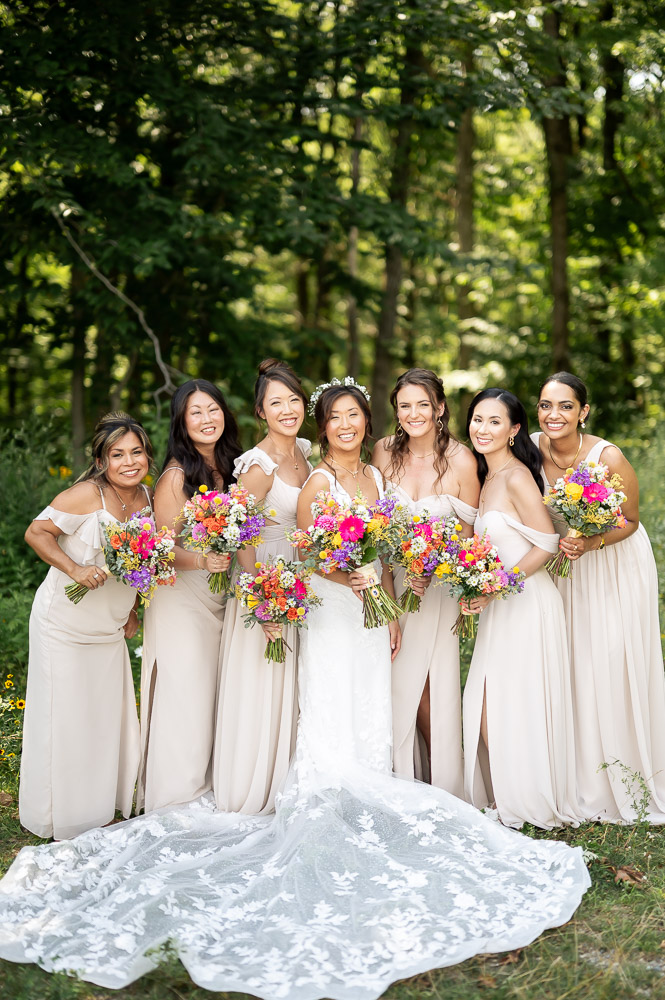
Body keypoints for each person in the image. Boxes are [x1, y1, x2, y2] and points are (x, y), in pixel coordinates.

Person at [0, 380, 590, 997]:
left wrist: (385, 599)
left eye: (354, 417)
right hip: (331, 610)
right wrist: (351, 578)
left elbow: (383, 544)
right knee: (329, 703)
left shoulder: (374, 479)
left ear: (366, 423)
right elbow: (307, 554)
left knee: (371, 703)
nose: (345, 426)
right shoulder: (314, 483)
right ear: (321, 422)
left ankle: (371, 780)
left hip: (369, 612)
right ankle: (327, 786)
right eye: (334, 418)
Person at [535, 371, 665, 822]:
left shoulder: (607, 456)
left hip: (613, 563)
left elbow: (629, 519)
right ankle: (579, 775)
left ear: (583, 412)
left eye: (565, 406)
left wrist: (590, 542)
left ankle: (625, 773)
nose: (554, 415)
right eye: (546, 405)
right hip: (566, 570)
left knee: (610, 660)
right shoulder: (530, 448)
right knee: (574, 662)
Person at [20, 411, 151, 840]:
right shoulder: (84, 495)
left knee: (100, 718)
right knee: (67, 718)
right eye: (118, 454)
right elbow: (36, 533)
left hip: (107, 630)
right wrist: (75, 569)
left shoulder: (147, 499)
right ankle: (65, 815)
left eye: (136, 452)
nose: (129, 461)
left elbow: (134, 565)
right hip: (65, 625)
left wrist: (132, 609)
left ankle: (99, 805)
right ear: (102, 460)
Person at [462, 388, 582, 829]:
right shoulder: (487, 476)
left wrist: (495, 586)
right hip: (502, 604)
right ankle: (512, 795)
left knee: (512, 702)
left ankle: (526, 799)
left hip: (527, 603)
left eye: (495, 421)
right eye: (478, 419)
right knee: (490, 702)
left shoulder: (515, 476)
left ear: (514, 430)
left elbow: (548, 543)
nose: (483, 428)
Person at [372, 368, 479, 796]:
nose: (414, 414)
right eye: (404, 406)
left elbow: (469, 541)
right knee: (395, 680)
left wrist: (434, 567)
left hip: (435, 588)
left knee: (429, 685)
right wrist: (385, 589)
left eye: (423, 405)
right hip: (387, 583)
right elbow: (370, 528)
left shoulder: (462, 460)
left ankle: (441, 784)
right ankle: (400, 776)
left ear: (439, 408)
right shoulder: (382, 453)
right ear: (395, 411)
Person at [137, 379, 242, 813]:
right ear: (181, 421)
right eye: (195, 412)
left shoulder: (232, 465)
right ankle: (176, 794)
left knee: (215, 690)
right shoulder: (176, 476)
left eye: (213, 409)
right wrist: (202, 562)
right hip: (182, 597)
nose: (206, 419)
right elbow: (160, 549)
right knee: (187, 691)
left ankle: (211, 781)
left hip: (221, 595)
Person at [213, 359, 311, 814]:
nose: (287, 409)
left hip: (298, 573)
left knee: (291, 680)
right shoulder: (259, 465)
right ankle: (253, 784)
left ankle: (287, 774)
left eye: (293, 399)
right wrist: (261, 599)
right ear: (260, 411)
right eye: (277, 402)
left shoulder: (305, 453)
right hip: (265, 576)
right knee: (262, 679)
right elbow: (237, 534)